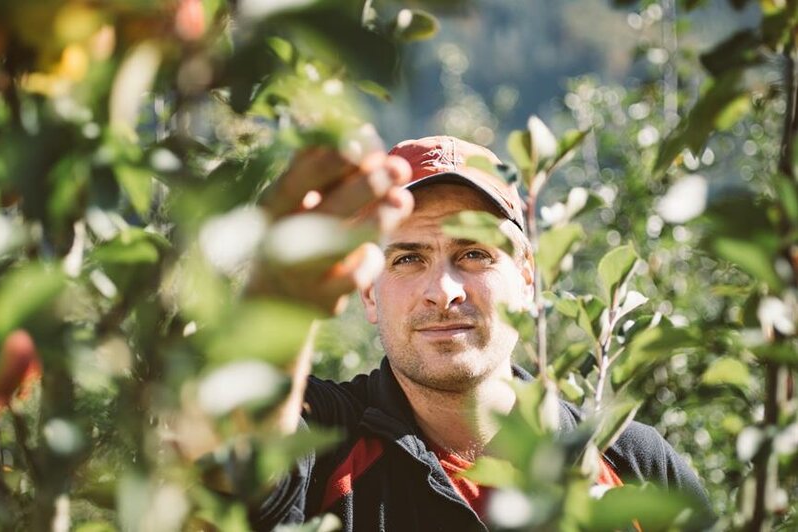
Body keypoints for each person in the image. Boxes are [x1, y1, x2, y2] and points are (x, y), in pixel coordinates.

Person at [247, 135, 712, 531]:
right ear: (369, 292)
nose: (443, 291)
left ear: (528, 276)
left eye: (473, 254)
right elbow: (241, 462)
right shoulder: (328, 440)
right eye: (407, 259)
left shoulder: (634, 463)